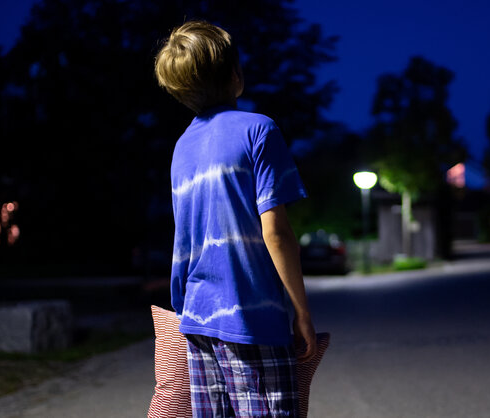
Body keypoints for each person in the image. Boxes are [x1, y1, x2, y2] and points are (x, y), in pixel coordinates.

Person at [154, 20, 316, 417]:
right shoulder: (259, 130)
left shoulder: (181, 148)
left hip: (198, 321)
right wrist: (302, 312)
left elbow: (188, 236)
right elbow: (275, 232)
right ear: (235, 76)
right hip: (253, 318)